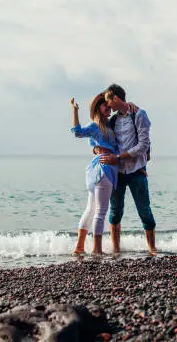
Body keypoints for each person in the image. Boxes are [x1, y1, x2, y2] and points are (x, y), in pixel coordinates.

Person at [98, 83, 157, 255]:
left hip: (136, 171)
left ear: (116, 98)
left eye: (109, 101)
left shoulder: (139, 115)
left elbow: (143, 145)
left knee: (144, 210)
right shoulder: (113, 120)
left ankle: (152, 248)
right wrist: (97, 150)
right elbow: (102, 138)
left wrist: (118, 157)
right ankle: (116, 249)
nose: (108, 106)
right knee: (115, 212)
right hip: (117, 173)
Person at [70, 93, 118, 255]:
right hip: (103, 168)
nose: (109, 109)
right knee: (101, 211)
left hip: (97, 168)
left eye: (110, 107)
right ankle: (97, 249)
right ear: (98, 107)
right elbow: (77, 132)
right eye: (106, 106)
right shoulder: (96, 126)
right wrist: (75, 111)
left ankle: (79, 247)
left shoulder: (108, 126)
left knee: (91, 209)